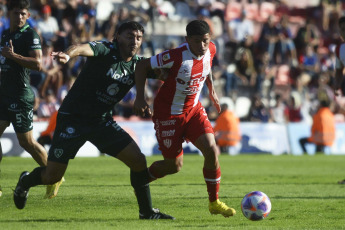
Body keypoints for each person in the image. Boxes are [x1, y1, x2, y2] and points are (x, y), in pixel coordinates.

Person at [13, 21, 174, 220]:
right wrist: (67, 54)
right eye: (129, 36)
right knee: (52, 176)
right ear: (117, 36)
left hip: (100, 122)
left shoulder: (137, 65)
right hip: (73, 118)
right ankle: (25, 182)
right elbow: (81, 48)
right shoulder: (106, 49)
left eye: (139, 38)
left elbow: (165, 73)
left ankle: (146, 212)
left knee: (138, 160)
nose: (134, 41)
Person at [134, 20, 236, 218]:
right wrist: (140, 97)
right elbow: (142, 66)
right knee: (174, 166)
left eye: (205, 41)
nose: (202, 46)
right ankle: (140, 179)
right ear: (187, 39)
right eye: (196, 41)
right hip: (168, 114)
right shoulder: (175, 56)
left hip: (194, 110)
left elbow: (206, 70)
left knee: (212, 150)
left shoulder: (211, 49)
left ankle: (214, 202)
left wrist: (212, 89)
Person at [0, 0, 62, 199]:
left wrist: (13, 55)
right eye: (16, 13)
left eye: (23, 13)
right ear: (8, 13)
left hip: (20, 96)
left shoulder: (30, 34)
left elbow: (37, 64)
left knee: (27, 142)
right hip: (3, 94)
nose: (19, 17)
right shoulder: (5, 34)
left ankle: (54, 175)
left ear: (27, 16)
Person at [332, 16, 345, 184]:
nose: (343, 32)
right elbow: (338, 69)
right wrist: (336, 85)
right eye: (341, 29)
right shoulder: (339, 49)